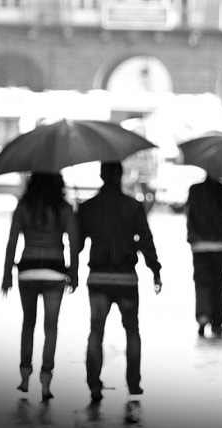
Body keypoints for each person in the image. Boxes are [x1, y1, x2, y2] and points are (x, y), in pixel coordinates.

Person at [77, 162, 162, 402]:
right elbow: (146, 240)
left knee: (96, 331)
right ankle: (134, 384)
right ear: (121, 175)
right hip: (126, 278)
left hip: (98, 277)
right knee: (132, 330)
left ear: (101, 175)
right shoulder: (133, 207)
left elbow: (79, 244)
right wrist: (155, 269)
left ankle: (94, 384)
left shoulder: (89, 207)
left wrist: (72, 268)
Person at [2, 172, 81, 400]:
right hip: (55, 273)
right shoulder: (64, 209)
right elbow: (74, 244)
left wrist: (7, 274)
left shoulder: (23, 207)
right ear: (59, 184)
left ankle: (25, 377)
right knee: (50, 328)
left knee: (28, 325)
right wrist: (73, 273)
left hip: (27, 271)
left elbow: (12, 243)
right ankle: (46, 382)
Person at [185, 175, 222, 336]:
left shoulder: (194, 190)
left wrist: (192, 236)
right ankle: (216, 320)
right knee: (218, 283)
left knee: (201, 282)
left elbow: (189, 214)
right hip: (220, 245)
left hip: (199, 245)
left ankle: (202, 316)